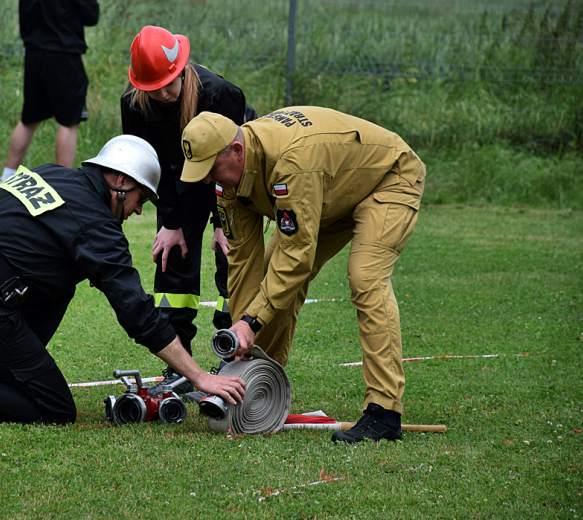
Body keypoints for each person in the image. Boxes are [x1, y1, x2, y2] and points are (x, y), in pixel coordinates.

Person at [0, 135, 246, 424]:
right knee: (55, 409)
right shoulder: (96, 225)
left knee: (62, 286)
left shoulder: (54, 173)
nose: (139, 210)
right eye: (142, 198)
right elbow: (137, 312)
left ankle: (16, 375)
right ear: (121, 182)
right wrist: (199, 376)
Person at [179, 108, 426, 443]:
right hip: (329, 192)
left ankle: (384, 411)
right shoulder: (230, 178)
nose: (207, 179)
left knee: (365, 277)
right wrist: (242, 344)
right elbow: (242, 260)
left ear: (236, 151)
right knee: (270, 275)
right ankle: (255, 384)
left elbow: (296, 257)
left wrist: (252, 322)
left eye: (210, 169)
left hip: (386, 179)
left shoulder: (291, 162)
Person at [120, 26, 257, 396]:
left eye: (169, 84)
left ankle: (234, 357)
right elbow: (148, 165)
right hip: (177, 181)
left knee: (233, 258)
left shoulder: (221, 95)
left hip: (227, 180)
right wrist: (171, 222)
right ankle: (177, 367)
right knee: (173, 259)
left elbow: (232, 163)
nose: (163, 94)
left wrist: (220, 221)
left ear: (182, 69)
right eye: (153, 88)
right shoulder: (133, 104)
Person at [0, 0, 100, 184]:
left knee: (29, 119)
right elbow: (91, 16)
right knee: (69, 122)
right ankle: (63, 184)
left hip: (34, 54)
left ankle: (6, 177)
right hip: (64, 54)